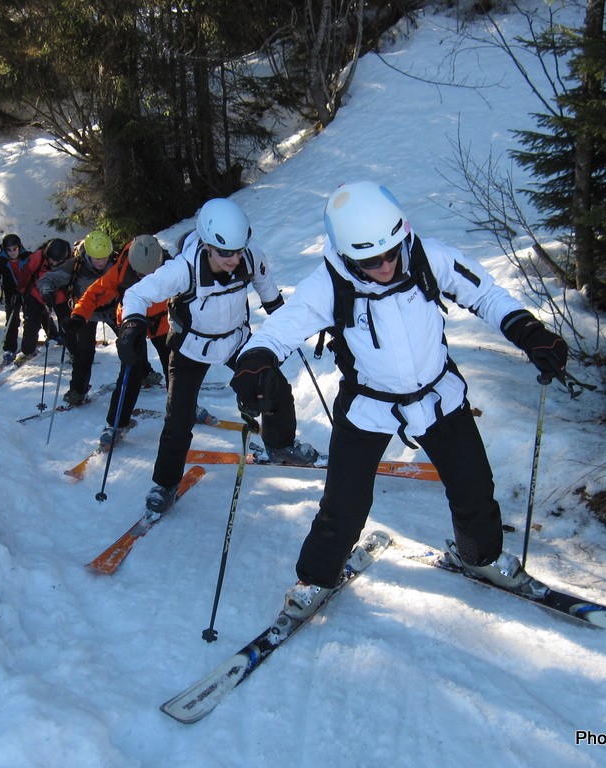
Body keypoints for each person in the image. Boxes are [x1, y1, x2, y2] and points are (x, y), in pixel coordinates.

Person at [229, 180, 569, 619]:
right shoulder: (329, 283)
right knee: (344, 506)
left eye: (392, 251)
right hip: (368, 405)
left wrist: (528, 331)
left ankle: (478, 556)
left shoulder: (428, 257)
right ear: (348, 253)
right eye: (372, 259)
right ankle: (315, 578)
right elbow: (282, 328)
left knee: (474, 488)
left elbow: (483, 292)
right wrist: (255, 360)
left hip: (438, 396)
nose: (387, 264)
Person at [116, 198, 318, 514]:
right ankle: (166, 483)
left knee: (275, 386)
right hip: (191, 348)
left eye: (239, 249)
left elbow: (270, 295)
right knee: (178, 419)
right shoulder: (183, 269)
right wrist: (132, 326)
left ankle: (280, 445)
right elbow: (136, 294)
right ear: (208, 245)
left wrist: (287, 323)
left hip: (237, 340)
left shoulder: (249, 257)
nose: (234, 259)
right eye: (225, 252)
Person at [69, 235, 173, 444]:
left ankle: (184, 407)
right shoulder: (121, 270)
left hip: (162, 323)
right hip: (132, 324)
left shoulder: (171, 267)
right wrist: (79, 315)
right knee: (129, 372)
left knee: (174, 367)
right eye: (141, 273)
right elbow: (94, 293)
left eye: (150, 273)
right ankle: (116, 422)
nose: (145, 277)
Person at [37, 230, 117, 403]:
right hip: (86, 312)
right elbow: (46, 280)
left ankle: (144, 373)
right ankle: (78, 391)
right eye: (97, 258)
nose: (102, 262)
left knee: (131, 341)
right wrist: (48, 292)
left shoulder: (116, 264)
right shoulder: (75, 265)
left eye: (105, 257)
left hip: (112, 309)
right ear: (88, 254)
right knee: (84, 352)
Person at [9, 237, 71, 364]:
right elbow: (25, 273)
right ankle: (27, 351)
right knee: (31, 324)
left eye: (57, 261)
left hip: (60, 297)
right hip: (36, 294)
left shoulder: (70, 260)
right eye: (52, 260)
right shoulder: (38, 256)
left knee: (68, 324)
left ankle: (74, 351)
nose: (53, 263)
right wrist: (19, 291)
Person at [0, 234, 30, 365]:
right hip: (12, 295)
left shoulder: (28, 257)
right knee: (12, 320)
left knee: (32, 318)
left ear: (19, 247)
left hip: (27, 292)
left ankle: (48, 337)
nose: (12, 252)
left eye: (15, 249)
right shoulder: (2, 262)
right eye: (9, 250)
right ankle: (9, 349)